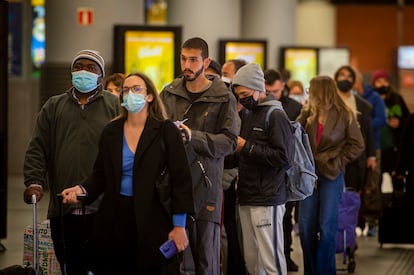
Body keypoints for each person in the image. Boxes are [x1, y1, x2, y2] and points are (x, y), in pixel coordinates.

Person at [60, 72, 194, 274]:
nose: (130, 93)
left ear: (149, 96)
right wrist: (80, 190)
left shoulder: (165, 131)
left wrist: (179, 225)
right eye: (126, 90)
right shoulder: (111, 131)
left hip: (153, 216)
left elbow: (181, 180)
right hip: (115, 216)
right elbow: (100, 175)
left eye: (136, 89)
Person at [23, 49, 120, 275]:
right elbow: (37, 147)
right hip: (63, 208)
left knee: (103, 266)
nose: (83, 72)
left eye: (90, 68)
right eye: (78, 67)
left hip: (102, 208)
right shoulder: (54, 106)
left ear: (101, 75)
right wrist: (34, 181)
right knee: (71, 266)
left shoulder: (114, 106)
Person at [160, 37, 238, 275]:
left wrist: (193, 136)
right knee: (172, 261)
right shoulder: (169, 93)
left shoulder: (224, 96)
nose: (187, 65)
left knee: (206, 262)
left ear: (206, 61)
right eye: (184, 59)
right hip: (171, 187)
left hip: (206, 188)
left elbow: (230, 142)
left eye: (193, 60)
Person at [297, 75, 365, 275]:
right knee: (306, 227)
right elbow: (294, 136)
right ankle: (310, 271)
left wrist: (338, 160)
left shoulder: (344, 114)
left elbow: (358, 145)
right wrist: (303, 120)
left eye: (311, 90)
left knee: (327, 229)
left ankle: (324, 271)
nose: (309, 93)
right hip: (309, 175)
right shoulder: (308, 112)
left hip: (332, 174)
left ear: (321, 91)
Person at [233, 63, 295, 275]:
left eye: (245, 93)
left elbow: (284, 157)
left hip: (268, 198)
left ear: (259, 88)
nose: (242, 99)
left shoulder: (275, 115)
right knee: (252, 261)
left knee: (271, 262)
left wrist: (245, 147)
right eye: (238, 94)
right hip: (247, 196)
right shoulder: (249, 114)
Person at [264, 68, 302, 272]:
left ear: (283, 88)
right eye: (267, 90)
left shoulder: (294, 107)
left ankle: (285, 255)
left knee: (286, 216)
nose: (271, 95)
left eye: (275, 91)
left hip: (288, 170)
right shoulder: (257, 107)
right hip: (266, 169)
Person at [353, 68, 387, 235]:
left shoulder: (374, 98)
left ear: (358, 81)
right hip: (353, 148)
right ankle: (355, 221)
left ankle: (372, 221)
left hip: (372, 146)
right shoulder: (347, 98)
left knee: (372, 184)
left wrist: (363, 126)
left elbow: (382, 120)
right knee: (355, 185)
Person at [371, 70, 410, 192]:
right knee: (376, 180)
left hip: (394, 146)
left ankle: (397, 204)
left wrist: (400, 123)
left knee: (397, 178)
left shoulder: (396, 98)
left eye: (385, 81)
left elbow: (408, 120)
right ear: (374, 83)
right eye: (379, 81)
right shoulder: (371, 100)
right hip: (377, 146)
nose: (382, 84)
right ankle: (376, 208)